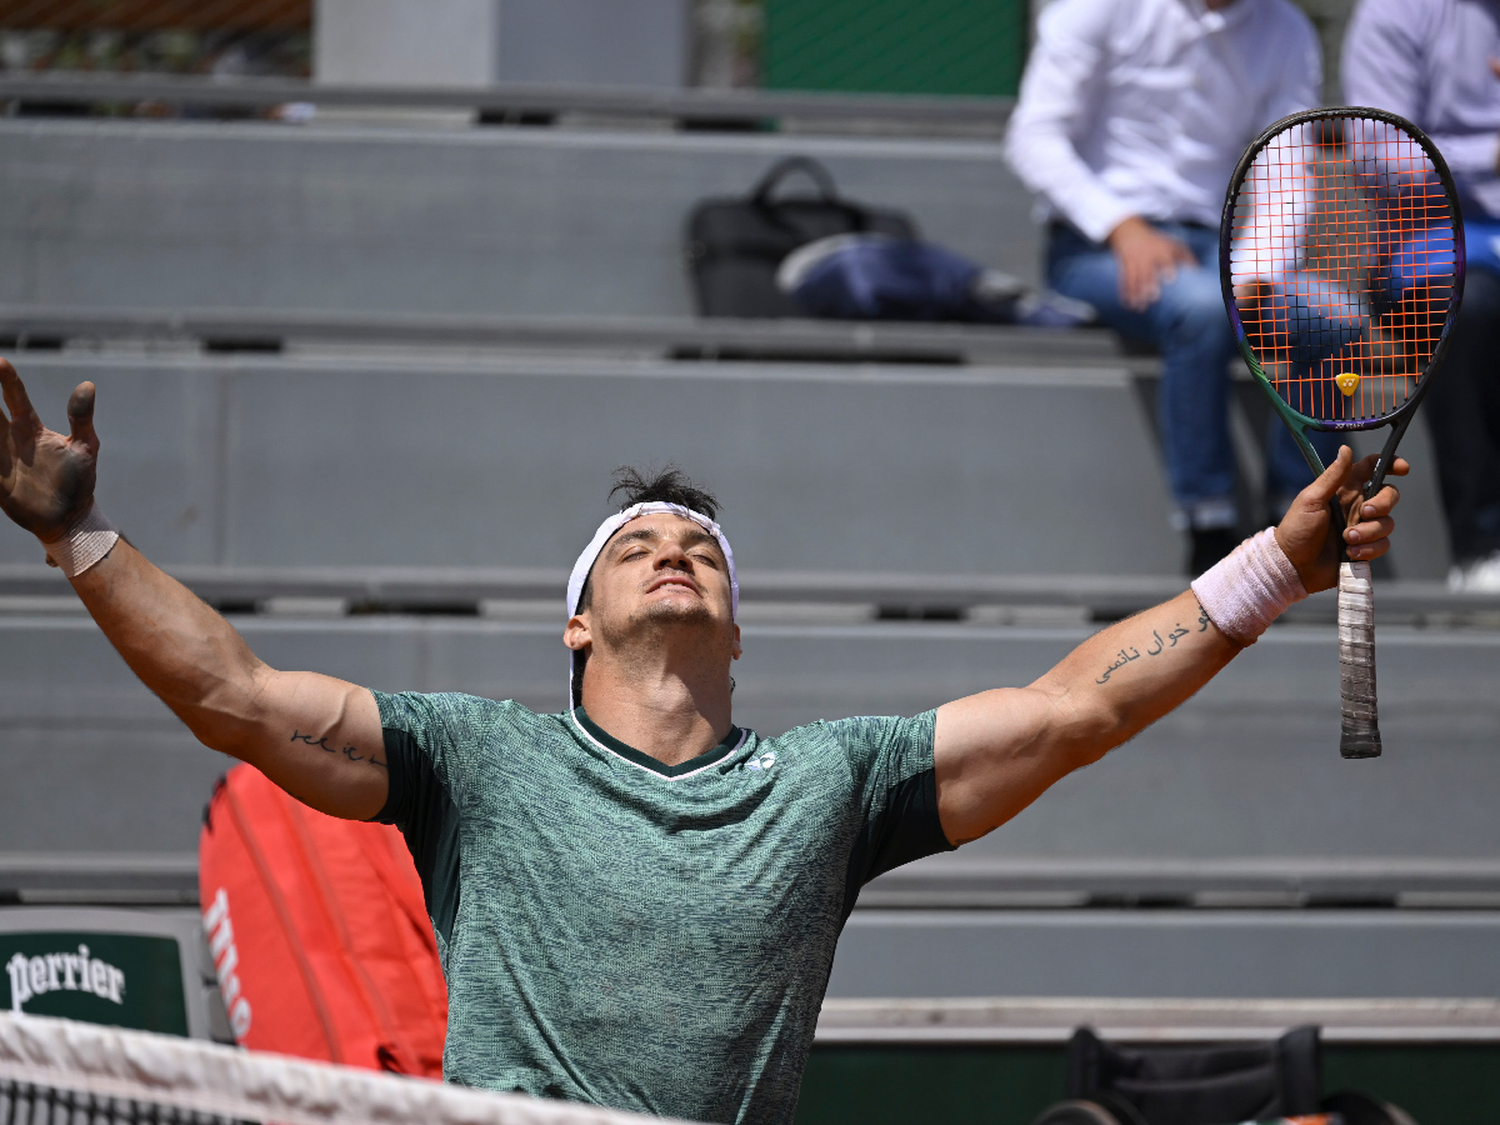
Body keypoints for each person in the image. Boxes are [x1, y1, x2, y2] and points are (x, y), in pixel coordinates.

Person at [0, 361, 1404, 1125]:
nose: (674, 554)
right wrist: (82, 539)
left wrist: (1273, 567)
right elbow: (235, 696)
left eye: (701, 551)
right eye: (637, 546)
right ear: (575, 622)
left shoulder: (832, 784)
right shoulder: (473, 761)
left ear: (738, 629)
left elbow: (1080, 705)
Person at [1004, 0, 1343, 575]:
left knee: (1329, 321)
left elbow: (1285, 164)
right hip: (1094, 247)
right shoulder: (1097, 9)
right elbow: (1033, 136)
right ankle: (1208, 526)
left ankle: (1299, 523)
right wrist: (1121, 225)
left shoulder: (1285, 28)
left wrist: (1256, 273)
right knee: (1204, 311)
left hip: (1218, 254)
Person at [1344, 0, 1500, 590]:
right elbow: (1380, 156)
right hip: (1425, 260)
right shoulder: (1394, 13)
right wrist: (1490, 155)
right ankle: (1482, 548)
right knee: (1476, 309)